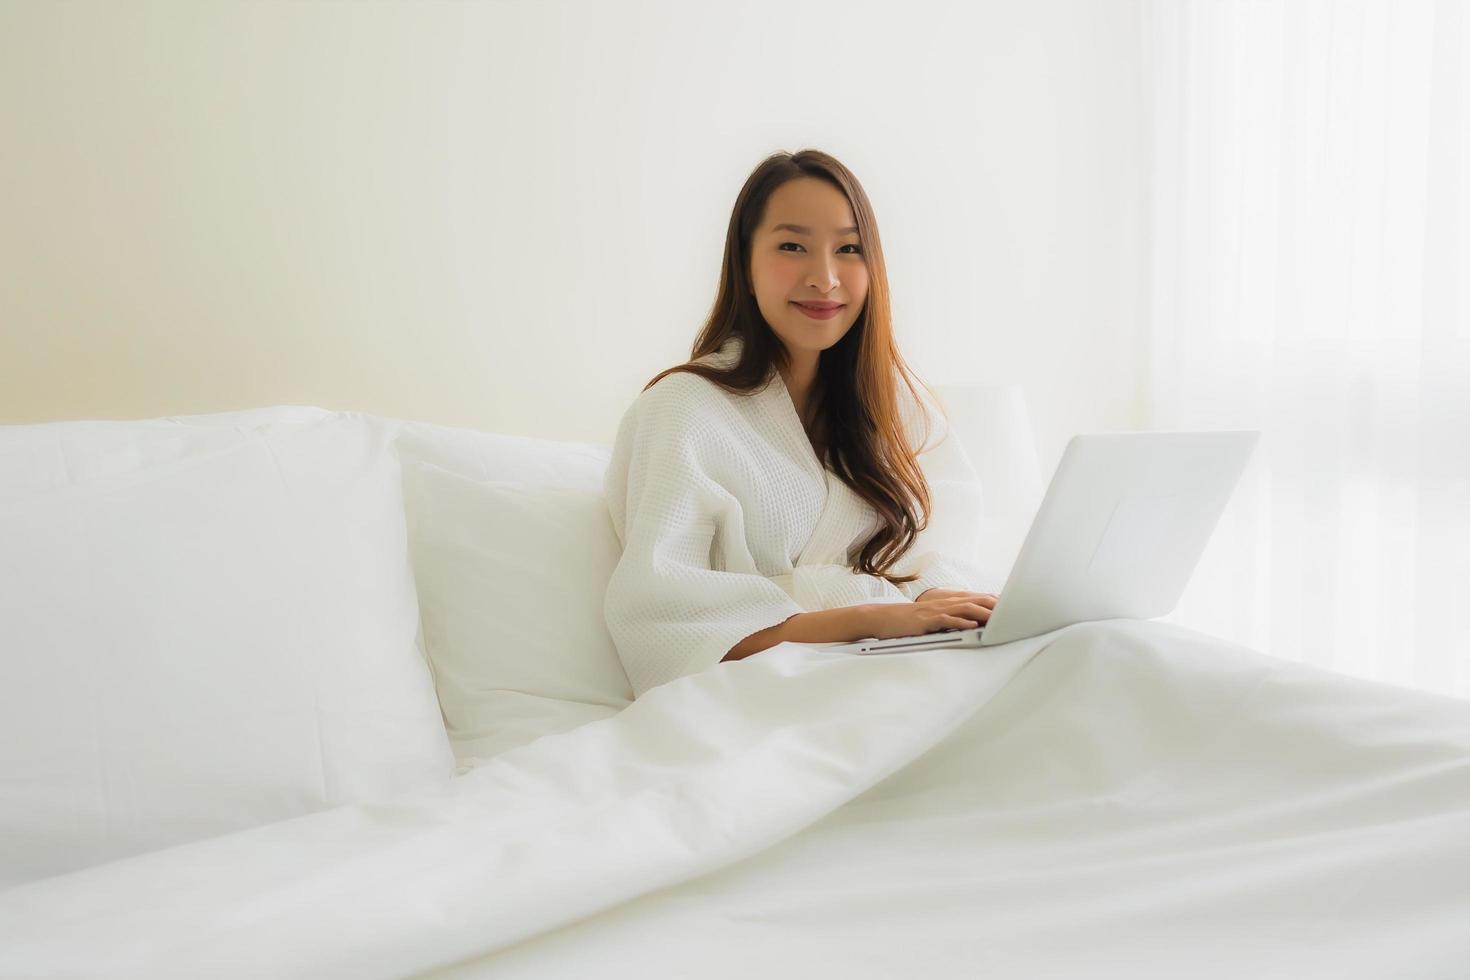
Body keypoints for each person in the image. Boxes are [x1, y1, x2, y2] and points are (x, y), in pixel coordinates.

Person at [603, 148, 1003, 699]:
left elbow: (945, 559)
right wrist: (869, 620)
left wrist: (932, 604)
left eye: (848, 249)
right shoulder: (683, 408)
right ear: (744, 265)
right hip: (765, 689)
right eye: (792, 246)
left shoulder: (901, 409)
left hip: (906, 664)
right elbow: (664, 623)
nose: (825, 278)